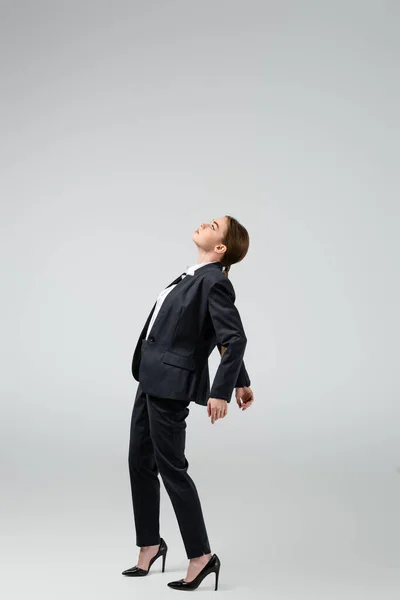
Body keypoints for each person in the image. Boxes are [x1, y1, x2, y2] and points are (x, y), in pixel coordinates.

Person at [123, 215, 254, 591]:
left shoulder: (214, 282)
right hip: (150, 377)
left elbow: (234, 337)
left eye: (214, 225)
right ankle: (150, 545)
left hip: (172, 384)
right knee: (139, 462)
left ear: (221, 248)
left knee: (172, 469)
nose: (204, 223)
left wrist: (221, 390)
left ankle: (201, 556)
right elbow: (215, 332)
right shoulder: (193, 276)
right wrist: (243, 381)